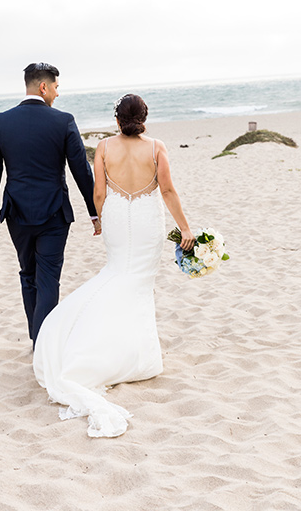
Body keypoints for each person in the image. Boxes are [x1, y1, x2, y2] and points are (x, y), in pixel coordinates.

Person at [33, 93, 195, 437]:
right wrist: (185, 227)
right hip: (148, 220)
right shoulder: (156, 147)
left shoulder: (104, 148)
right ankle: (131, 355)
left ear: (117, 118)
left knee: (117, 275)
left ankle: (114, 346)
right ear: (144, 117)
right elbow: (167, 190)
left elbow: (99, 193)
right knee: (137, 285)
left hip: (119, 218)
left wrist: (99, 220)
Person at [0, 63, 101, 346]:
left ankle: (38, 338)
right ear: (44, 87)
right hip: (54, 213)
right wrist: (94, 211)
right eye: (57, 87)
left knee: (28, 274)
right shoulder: (63, 121)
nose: (58, 94)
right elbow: (81, 170)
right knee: (48, 278)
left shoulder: (1, 121)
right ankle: (45, 344)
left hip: (16, 213)